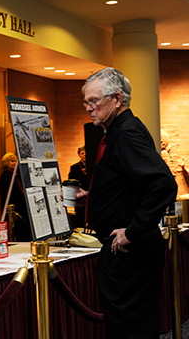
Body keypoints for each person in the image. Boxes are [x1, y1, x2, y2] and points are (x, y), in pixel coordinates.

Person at [75, 67, 177, 339]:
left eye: (94, 101)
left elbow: (163, 184)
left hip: (130, 253)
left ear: (117, 99)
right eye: (86, 101)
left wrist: (132, 232)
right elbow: (130, 182)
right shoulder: (118, 131)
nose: (88, 108)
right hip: (126, 252)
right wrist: (93, 196)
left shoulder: (126, 133)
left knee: (131, 329)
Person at [0, 153, 32, 242]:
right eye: (11, 161)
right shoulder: (5, 176)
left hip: (21, 208)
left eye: (15, 161)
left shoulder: (16, 175)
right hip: (13, 210)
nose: (14, 163)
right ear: (6, 163)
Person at [68, 145, 87, 228]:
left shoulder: (93, 166)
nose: (84, 155)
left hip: (90, 197)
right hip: (79, 199)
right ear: (79, 155)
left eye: (86, 153)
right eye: (82, 153)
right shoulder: (74, 168)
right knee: (80, 220)